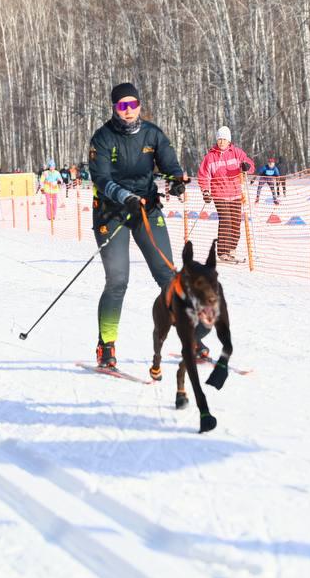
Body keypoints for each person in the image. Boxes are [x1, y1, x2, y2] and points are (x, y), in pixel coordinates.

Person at [89, 81, 199, 371]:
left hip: (146, 211)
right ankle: (106, 345)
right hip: (111, 213)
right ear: (114, 107)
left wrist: (176, 182)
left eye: (132, 105)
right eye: (122, 105)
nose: (128, 111)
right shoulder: (102, 138)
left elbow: (170, 166)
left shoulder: (153, 134)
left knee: (168, 277)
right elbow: (100, 178)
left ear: (140, 105)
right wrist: (123, 196)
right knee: (118, 280)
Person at [197, 126, 255, 263]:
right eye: (219, 139)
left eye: (224, 139)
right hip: (219, 194)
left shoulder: (236, 153)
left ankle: (231, 250)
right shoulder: (210, 157)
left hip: (235, 193)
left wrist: (246, 166)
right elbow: (203, 176)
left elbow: (250, 165)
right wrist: (205, 191)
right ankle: (223, 252)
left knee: (235, 223)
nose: (221, 142)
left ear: (229, 141)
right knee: (226, 221)